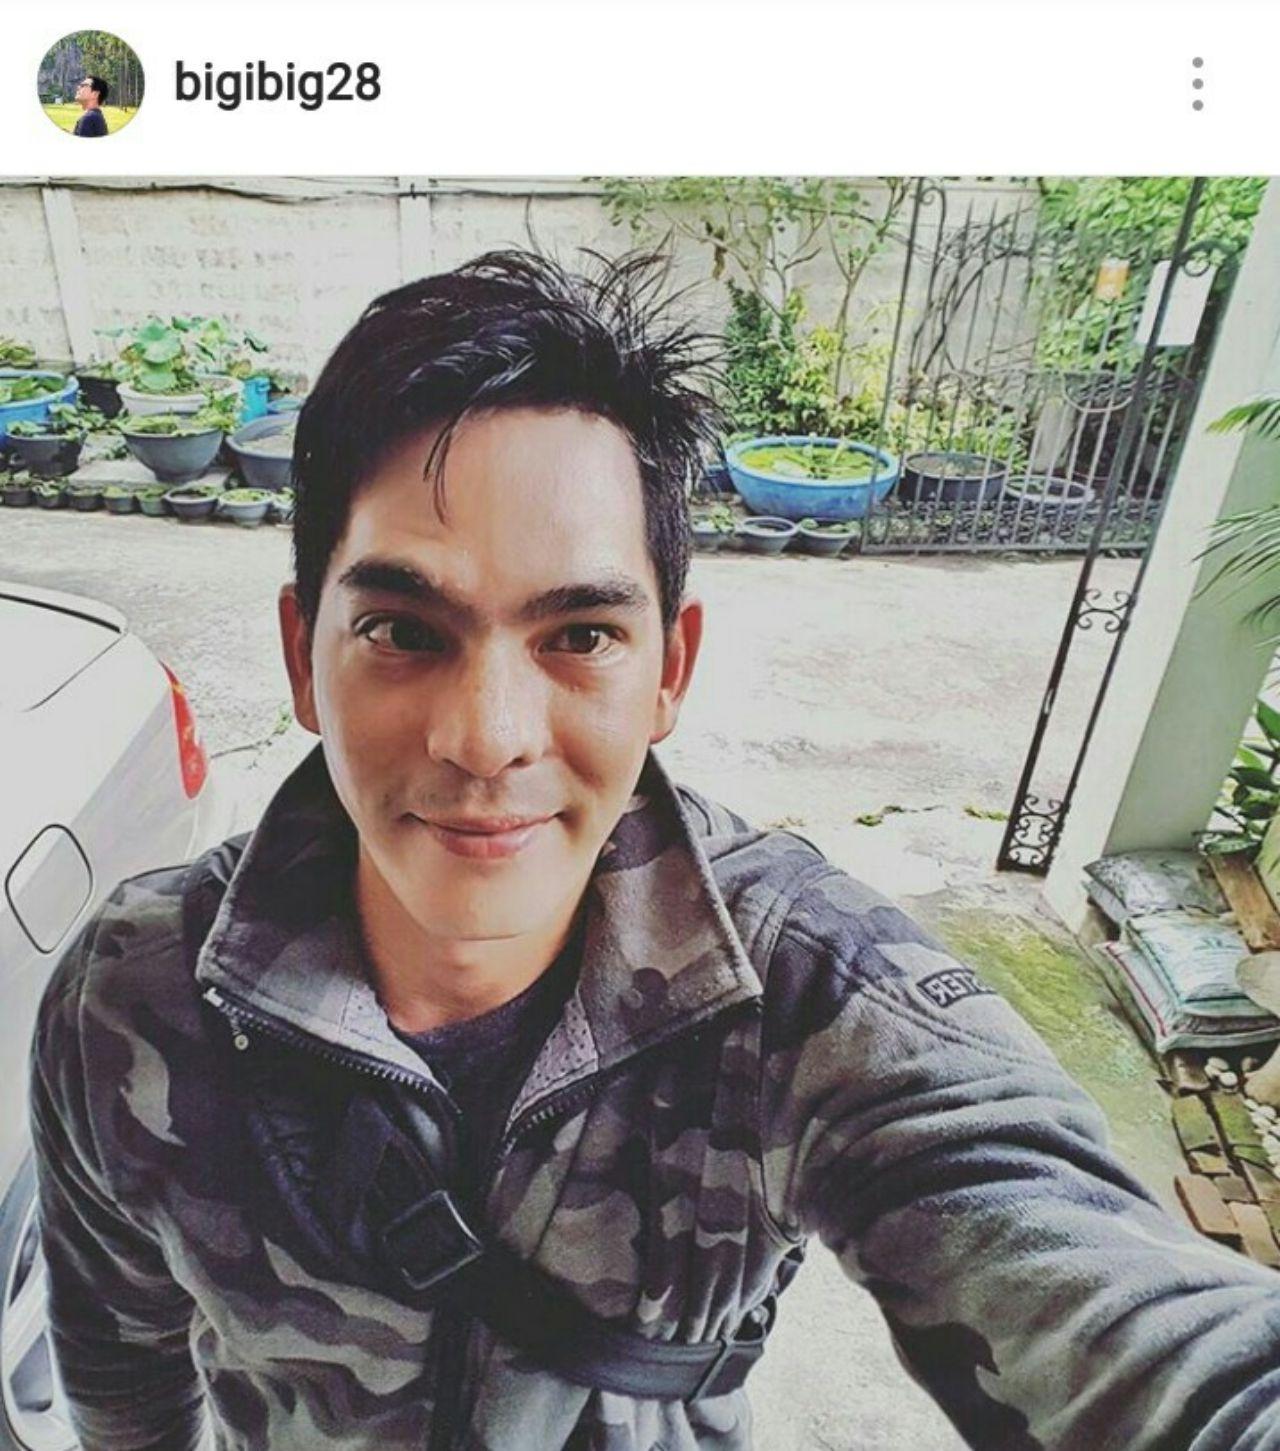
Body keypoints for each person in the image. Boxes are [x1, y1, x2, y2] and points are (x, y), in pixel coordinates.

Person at [30, 250, 1280, 1451]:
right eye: (403, 630)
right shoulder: (133, 990)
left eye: (578, 636)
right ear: (304, 655)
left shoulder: (801, 995)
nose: (487, 738)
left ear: (668, 668)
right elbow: (121, 1362)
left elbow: (1107, 1301)